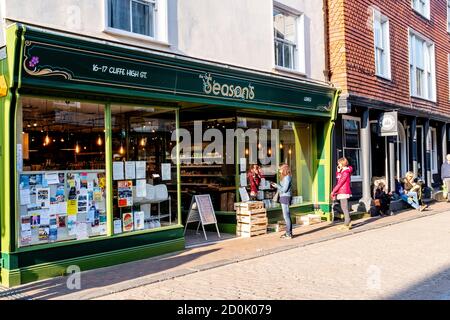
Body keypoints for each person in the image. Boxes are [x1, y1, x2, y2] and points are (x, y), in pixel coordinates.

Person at [331, 157, 353, 230]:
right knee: (344, 208)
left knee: (344, 208)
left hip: (344, 191)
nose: (338, 164)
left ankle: (347, 223)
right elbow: (338, 178)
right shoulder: (343, 171)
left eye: (339, 163)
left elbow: (340, 183)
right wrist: (338, 171)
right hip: (342, 191)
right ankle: (348, 222)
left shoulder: (345, 172)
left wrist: (333, 191)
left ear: (342, 163)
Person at [271, 164, 293, 239]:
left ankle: (288, 234)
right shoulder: (286, 177)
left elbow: (284, 189)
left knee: (286, 216)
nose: (279, 170)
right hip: (284, 197)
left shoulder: (287, 178)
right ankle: (288, 233)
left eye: (280, 169)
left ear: (284, 169)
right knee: (287, 216)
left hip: (285, 197)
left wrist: (277, 186)